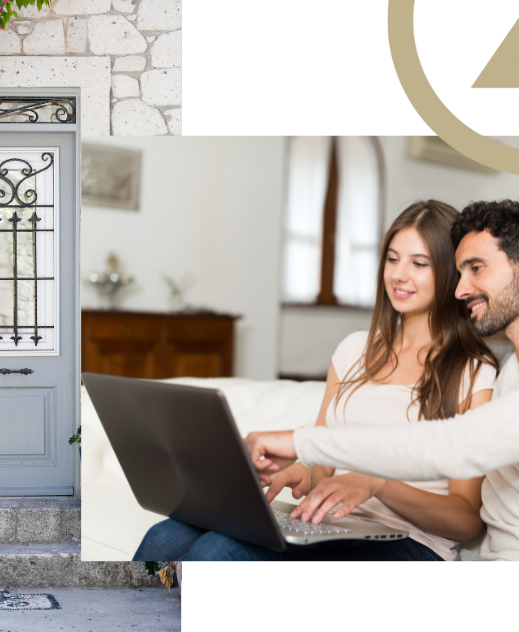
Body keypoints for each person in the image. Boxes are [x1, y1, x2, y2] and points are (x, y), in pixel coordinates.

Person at [245, 200, 519, 562]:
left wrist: (302, 443)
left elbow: (461, 444)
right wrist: (312, 469)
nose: (459, 289)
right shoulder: (512, 373)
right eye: (458, 272)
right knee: (213, 545)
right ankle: (175, 602)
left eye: (476, 268)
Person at [133, 200, 500, 562]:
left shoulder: (472, 372)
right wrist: (292, 472)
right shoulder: (353, 350)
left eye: (419, 263)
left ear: (452, 273)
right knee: (165, 536)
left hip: (412, 543)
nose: (399, 275)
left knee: (218, 552)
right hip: (336, 525)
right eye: (392, 258)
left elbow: (467, 519)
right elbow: (324, 464)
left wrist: (378, 483)